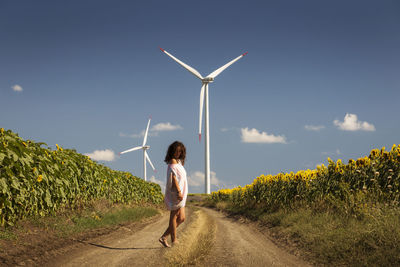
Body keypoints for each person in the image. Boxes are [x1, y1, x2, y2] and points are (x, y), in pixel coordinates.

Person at [159, 141, 188, 248]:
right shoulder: (172, 161)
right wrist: (179, 192)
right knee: (174, 216)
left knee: (182, 218)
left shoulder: (178, 162)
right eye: (176, 151)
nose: (178, 153)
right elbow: (174, 178)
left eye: (180, 151)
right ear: (172, 151)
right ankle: (174, 240)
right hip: (176, 192)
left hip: (182, 192)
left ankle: (164, 237)